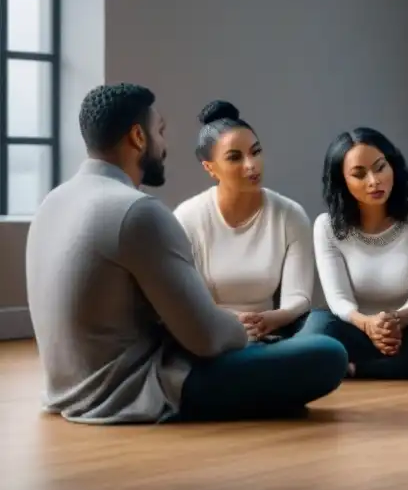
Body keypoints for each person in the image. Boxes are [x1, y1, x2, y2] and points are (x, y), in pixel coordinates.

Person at [25, 83, 347, 425]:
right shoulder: (137, 211)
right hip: (132, 390)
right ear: (138, 137)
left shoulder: (52, 202)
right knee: (328, 354)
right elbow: (206, 338)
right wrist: (246, 332)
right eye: (159, 131)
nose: (164, 144)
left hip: (65, 388)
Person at [312, 127, 408, 378]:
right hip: (355, 328)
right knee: (316, 326)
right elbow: (339, 300)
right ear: (342, 182)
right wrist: (368, 325)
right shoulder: (326, 226)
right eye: (359, 174)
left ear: (393, 166)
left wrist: (395, 321)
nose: (374, 181)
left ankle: (356, 370)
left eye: (380, 167)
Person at [174, 100, 323, 343]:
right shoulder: (187, 217)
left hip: (270, 332)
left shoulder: (290, 215)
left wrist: (270, 320)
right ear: (210, 168)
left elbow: (298, 297)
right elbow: (187, 300)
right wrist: (234, 322)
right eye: (235, 158)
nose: (251, 165)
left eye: (256, 152)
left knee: (321, 330)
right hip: (208, 335)